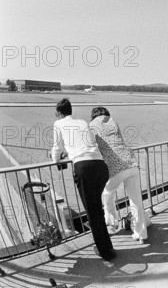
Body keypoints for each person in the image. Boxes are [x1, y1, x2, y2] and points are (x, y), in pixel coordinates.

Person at [50, 98, 116, 261]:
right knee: (97, 209)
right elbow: (86, 144)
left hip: (84, 168)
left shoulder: (58, 124)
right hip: (100, 167)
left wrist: (56, 159)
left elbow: (57, 148)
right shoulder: (83, 122)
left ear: (58, 113)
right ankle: (107, 247)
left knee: (92, 212)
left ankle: (105, 252)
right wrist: (69, 152)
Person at [89, 107, 150, 244]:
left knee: (107, 193)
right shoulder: (113, 121)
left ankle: (112, 222)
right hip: (131, 162)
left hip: (116, 167)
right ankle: (141, 235)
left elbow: (93, 147)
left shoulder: (91, 126)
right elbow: (120, 140)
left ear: (93, 116)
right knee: (136, 202)